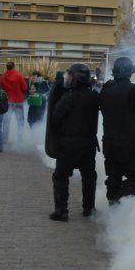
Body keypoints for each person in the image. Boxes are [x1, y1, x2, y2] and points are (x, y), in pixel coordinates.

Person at [99, 57, 135, 203]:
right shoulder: (134, 90)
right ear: (130, 71)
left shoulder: (106, 91)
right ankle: (119, 202)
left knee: (114, 178)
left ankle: (113, 211)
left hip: (109, 143)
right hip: (130, 144)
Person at [46, 64, 100, 221]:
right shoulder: (94, 96)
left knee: (61, 177)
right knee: (89, 177)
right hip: (89, 143)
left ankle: (61, 212)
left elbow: (55, 119)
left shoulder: (69, 97)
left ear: (76, 78)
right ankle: (89, 209)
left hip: (69, 144)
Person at [0, 62, 28, 144]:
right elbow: (25, 88)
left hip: (8, 102)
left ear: (6, 67)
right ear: (14, 67)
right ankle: (19, 139)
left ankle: (5, 140)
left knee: (6, 121)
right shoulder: (19, 76)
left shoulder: (3, 77)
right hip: (18, 101)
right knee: (20, 121)